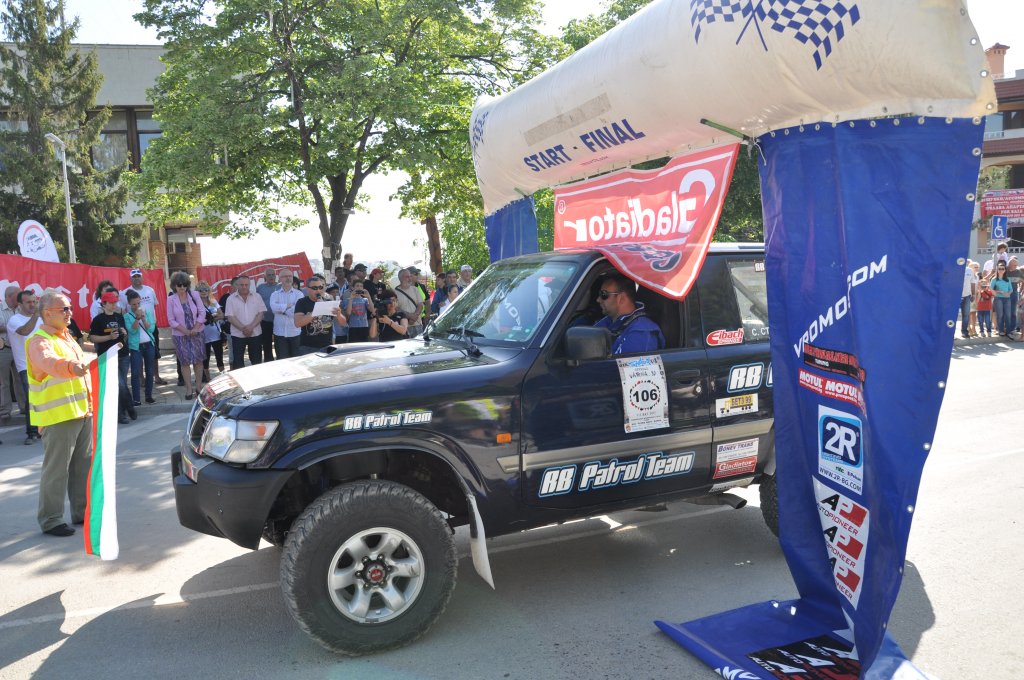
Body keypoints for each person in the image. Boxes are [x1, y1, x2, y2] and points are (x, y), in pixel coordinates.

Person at [27, 291, 92, 537]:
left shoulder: (67, 337)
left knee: (82, 467)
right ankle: (51, 520)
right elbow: (50, 362)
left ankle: (82, 512)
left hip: (81, 412)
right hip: (58, 417)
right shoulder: (38, 341)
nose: (69, 312)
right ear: (47, 313)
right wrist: (72, 367)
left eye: (70, 308)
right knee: (57, 470)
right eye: (64, 309)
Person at [89, 290, 136, 424]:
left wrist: (124, 333)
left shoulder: (119, 317)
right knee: (119, 384)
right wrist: (109, 337)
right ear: (104, 304)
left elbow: (125, 335)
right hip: (108, 355)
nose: (114, 305)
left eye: (115, 302)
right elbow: (93, 338)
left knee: (121, 384)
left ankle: (123, 412)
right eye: (110, 303)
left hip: (123, 354)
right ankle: (128, 409)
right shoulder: (98, 320)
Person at [593, 272, 665, 355]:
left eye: (603, 294)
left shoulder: (641, 333)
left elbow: (621, 364)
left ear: (621, 298)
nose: (598, 300)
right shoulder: (609, 320)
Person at [120, 267, 166, 385]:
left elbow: (154, 306)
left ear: (142, 277)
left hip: (149, 326)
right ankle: (141, 379)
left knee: (154, 352)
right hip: (135, 328)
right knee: (137, 354)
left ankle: (156, 376)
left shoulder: (150, 290)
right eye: (134, 277)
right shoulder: (124, 293)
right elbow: (123, 310)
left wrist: (149, 321)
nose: (136, 279)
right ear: (130, 279)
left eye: (138, 276)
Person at [7, 289, 42, 443]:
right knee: (31, 397)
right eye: (28, 302)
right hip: (25, 366)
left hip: (43, 364)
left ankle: (42, 429)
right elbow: (24, 331)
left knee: (44, 397)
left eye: (34, 302)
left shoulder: (41, 319)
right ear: (20, 304)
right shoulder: (14, 320)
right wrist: (36, 315)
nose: (32, 305)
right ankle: (32, 432)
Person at [167, 271, 207, 399]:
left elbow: (202, 312)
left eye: (185, 284)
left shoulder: (194, 295)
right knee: (184, 362)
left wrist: (195, 328)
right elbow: (171, 320)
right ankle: (189, 388)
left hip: (197, 332)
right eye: (179, 285)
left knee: (198, 361)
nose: (182, 287)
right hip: (180, 335)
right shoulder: (171, 299)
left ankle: (198, 387)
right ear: (174, 285)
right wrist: (185, 331)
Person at [294, 275, 346, 353]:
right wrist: (316, 311)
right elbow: (297, 323)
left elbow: (343, 323)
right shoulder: (302, 302)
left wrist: (339, 315)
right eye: (315, 288)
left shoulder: (329, 301)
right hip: (307, 347)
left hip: (327, 346)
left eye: (320, 287)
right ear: (308, 289)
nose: (318, 290)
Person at [225, 274, 266, 370]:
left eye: (246, 285)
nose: (244, 287)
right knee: (238, 363)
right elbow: (230, 317)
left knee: (257, 361)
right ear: (237, 285)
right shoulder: (230, 299)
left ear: (249, 285)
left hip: (255, 334)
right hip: (238, 335)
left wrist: (251, 327)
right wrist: (243, 329)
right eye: (241, 285)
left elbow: (261, 314)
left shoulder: (257, 296)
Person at [124, 289, 157, 405]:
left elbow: (151, 328)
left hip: (149, 344)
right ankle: (136, 399)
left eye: (138, 303)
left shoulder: (147, 312)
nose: (137, 306)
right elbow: (132, 331)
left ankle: (149, 396)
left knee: (150, 371)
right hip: (136, 347)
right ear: (129, 304)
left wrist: (143, 318)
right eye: (134, 304)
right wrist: (137, 318)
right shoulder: (127, 316)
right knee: (135, 372)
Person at [269, 270, 303, 358]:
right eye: (285, 276)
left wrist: (281, 309)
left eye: (290, 276)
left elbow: (297, 311)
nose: (288, 278)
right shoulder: (275, 294)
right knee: (282, 360)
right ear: (280, 279)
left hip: (295, 332)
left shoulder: (299, 294)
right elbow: (273, 308)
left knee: (297, 360)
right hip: (279, 333)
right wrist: (288, 306)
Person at [1, 284, 21, 425]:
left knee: (20, 379)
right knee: (4, 382)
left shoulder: (21, 309)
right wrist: (12, 327)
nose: (20, 298)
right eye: (17, 295)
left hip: (19, 348)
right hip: (4, 348)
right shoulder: (0, 309)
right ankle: (5, 411)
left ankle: (24, 407)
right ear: (9, 296)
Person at [197, 281, 225, 380]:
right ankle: (208, 378)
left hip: (216, 334)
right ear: (197, 292)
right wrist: (205, 320)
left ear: (209, 291)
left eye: (206, 289)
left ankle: (223, 376)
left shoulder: (213, 301)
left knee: (219, 357)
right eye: (200, 290)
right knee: (206, 359)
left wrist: (212, 318)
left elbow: (222, 315)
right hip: (203, 335)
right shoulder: (196, 304)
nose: (203, 292)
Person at [255, 267, 279, 362]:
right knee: (266, 344)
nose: (271, 277)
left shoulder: (280, 287)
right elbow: (256, 303)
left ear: (276, 276)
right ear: (264, 277)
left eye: (273, 274)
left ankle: (281, 362)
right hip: (265, 320)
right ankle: (268, 363)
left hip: (278, 320)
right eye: (269, 275)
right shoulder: (260, 288)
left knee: (279, 343)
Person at [394, 268, 425, 337]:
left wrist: (415, 316)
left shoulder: (415, 289)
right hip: (404, 326)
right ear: (401, 278)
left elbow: (420, 305)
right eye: (407, 277)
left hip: (418, 324)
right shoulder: (395, 292)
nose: (410, 279)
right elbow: (396, 308)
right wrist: (410, 316)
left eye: (410, 276)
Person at [345, 274, 375, 342]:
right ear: (353, 288)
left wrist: (369, 297)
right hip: (353, 327)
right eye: (357, 286)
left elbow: (373, 310)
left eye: (361, 286)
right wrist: (351, 298)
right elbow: (348, 313)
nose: (359, 287)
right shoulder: (349, 300)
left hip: (364, 326)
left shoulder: (365, 300)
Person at [990, 261, 1014, 337]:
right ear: (997, 270)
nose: (1001, 270)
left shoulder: (1007, 279)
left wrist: (1008, 293)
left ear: (1005, 270)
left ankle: (1008, 331)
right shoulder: (994, 279)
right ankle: (1000, 330)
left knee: (1008, 315)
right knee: (1000, 315)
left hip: (1007, 299)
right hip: (998, 299)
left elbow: (1011, 289)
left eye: (1002, 269)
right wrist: (998, 292)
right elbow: (991, 289)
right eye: (999, 269)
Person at [960, 260, 975, 340]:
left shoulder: (970, 270)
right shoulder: (954, 268)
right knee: (953, 315)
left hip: (967, 296)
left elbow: (972, 283)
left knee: (966, 315)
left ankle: (964, 332)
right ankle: (951, 333)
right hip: (955, 296)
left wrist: (973, 294)